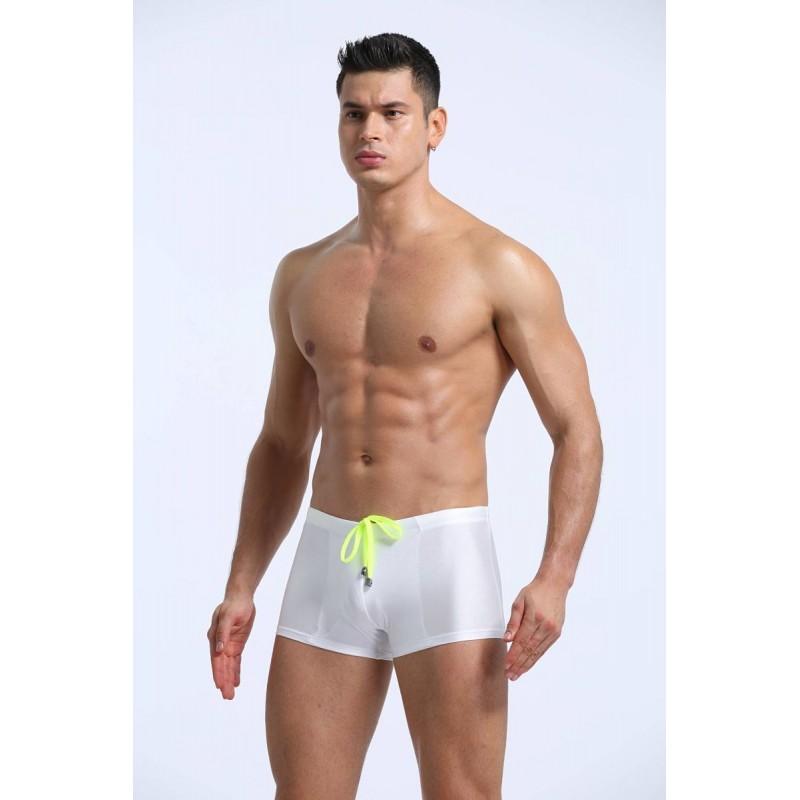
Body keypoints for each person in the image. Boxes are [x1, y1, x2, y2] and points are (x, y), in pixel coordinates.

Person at [207, 32, 603, 799]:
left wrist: (556, 577)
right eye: (354, 114)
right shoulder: (303, 275)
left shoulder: (497, 266)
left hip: (442, 559)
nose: (371, 131)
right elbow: (283, 443)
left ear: (434, 126)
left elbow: (576, 428)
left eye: (393, 112)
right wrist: (242, 583)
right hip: (328, 559)